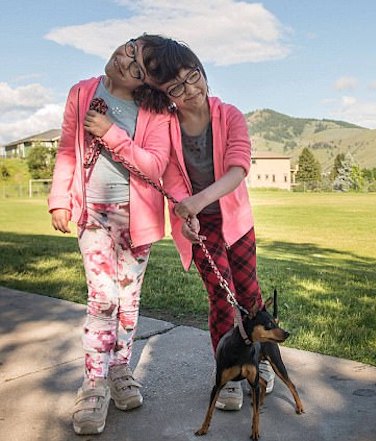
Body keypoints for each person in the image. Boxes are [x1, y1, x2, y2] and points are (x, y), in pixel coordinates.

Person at [139, 36, 275, 411]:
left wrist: (198, 200)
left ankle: (261, 362)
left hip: (234, 220)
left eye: (193, 76)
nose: (190, 90)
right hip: (197, 226)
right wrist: (187, 217)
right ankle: (228, 372)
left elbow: (238, 168)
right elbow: (171, 178)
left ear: (202, 71)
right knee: (220, 297)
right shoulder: (165, 124)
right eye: (177, 87)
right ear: (166, 93)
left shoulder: (229, 114)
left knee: (249, 296)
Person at [48, 35, 172, 435]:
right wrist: (59, 200)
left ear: (147, 84)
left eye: (137, 69)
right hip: (93, 216)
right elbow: (68, 148)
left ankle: (119, 370)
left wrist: (110, 133)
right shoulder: (84, 92)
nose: (124, 61)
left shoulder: (158, 113)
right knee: (103, 298)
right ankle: (94, 383)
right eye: (129, 49)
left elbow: (154, 167)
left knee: (129, 302)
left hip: (138, 220)